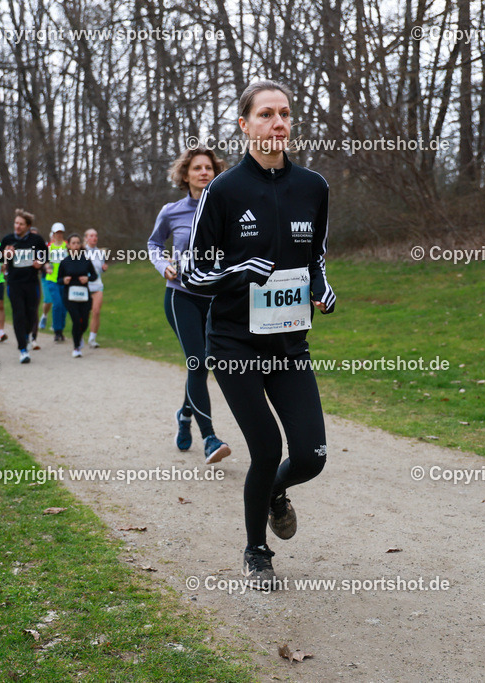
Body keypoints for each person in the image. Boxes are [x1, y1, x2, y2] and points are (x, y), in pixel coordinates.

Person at [182, 80, 336, 589]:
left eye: (286, 113)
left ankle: (273, 493)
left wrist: (322, 288)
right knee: (266, 446)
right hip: (234, 344)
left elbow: (315, 258)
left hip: (290, 344)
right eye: (267, 114)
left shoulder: (313, 187)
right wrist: (242, 268)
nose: (279, 122)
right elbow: (193, 274)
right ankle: (256, 552)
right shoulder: (224, 192)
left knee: (311, 455)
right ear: (245, 125)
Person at [148, 146, 232, 464]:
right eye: (197, 168)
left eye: (209, 168)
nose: (203, 172)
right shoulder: (171, 211)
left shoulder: (225, 208)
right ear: (185, 175)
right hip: (180, 295)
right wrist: (162, 265)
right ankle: (209, 438)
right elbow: (154, 243)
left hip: (216, 298)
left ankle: (184, 416)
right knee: (197, 362)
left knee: (202, 363)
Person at [0, 208, 48, 364]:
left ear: (28, 226)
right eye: (16, 223)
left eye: (21, 224)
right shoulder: (7, 240)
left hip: (31, 282)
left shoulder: (36, 240)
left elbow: (46, 255)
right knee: (18, 314)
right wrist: (6, 256)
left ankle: (26, 335)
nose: (17, 226)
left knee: (31, 314)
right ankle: (22, 349)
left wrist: (39, 263)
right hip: (14, 283)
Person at [56, 233, 97, 357]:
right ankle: (76, 348)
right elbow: (58, 279)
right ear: (68, 245)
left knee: (84, 321)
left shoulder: (85, 260)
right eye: (73, 243)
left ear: (80, 245)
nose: (75, 245)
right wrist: (64, 280)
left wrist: (87, 278)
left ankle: (79, 337)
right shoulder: (64, 262)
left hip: (84, 295)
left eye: (78, 243)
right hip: (70, 296)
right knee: (76, 321)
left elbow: (94, 276)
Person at [42, 223, 68, 342]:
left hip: (65, 280)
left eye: (61, 232)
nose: (59, 235)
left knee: (64, 306)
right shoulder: (49, 248)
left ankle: (61, 329)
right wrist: (47, 267)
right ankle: (57, 331)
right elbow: (45, 261)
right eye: (57, 233)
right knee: (57, 304)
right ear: (53, 234)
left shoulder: (67, 246)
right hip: (52, 280)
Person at [83, 228, 107, 348]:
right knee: (84, 313)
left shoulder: (100, 252)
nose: (94, 238)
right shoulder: (81, 252)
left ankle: (92, 339)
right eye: (91, 236)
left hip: (97, 284)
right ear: (86, 238)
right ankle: (80, 335)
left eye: (96, 235)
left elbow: (99, 270)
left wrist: (103, 269)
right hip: (85, 285)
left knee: (96, 311)